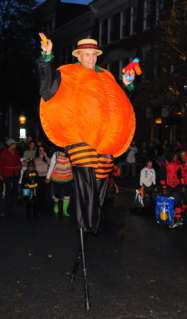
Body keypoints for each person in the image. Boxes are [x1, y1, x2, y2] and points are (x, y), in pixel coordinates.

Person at [37, 35, 135, 233]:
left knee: (101, 175)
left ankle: (92, 219)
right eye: (86, 55)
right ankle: (87, 221)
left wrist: (127, 85)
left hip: (105, 139)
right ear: (79, 56)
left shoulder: (106, 76)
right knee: (86, 171)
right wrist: (46, 58)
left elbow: (119, 102)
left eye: (94, 55)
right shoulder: (68, 73)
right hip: (79, 136)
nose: (91, 59)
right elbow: (47, 88)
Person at [0, 139, 21, 217]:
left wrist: (19, 165)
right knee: (8, 191)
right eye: (14, 144)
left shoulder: (16, 152)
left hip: (15, 173)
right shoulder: (4, 153)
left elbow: (18, 162)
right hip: (7, 174)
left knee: (14, 190)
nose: (15, 145)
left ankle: (12, 208)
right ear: (10, 145)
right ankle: (6, 209)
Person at [46, 149, 73, 217]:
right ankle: (56, 205)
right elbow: (52, 166)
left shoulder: (71, 153)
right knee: (56, 195)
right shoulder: (56, 154)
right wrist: (48, 177)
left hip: (68, 178)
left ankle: (65, 210)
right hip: (57, 178)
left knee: (67, 195)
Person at [159, 152, 183, 228]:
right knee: (168, 203)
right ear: (171, 157)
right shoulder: (165, 165)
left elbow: (180, 176)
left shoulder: (178, 165)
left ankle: (178, 218)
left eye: (177, 156)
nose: (176, 158)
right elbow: (162, 175)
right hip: (168, 186)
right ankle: (168, 218)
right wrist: (164, 187)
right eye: (174, 156)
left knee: (177, 201)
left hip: (177, 185)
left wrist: (182, 186)